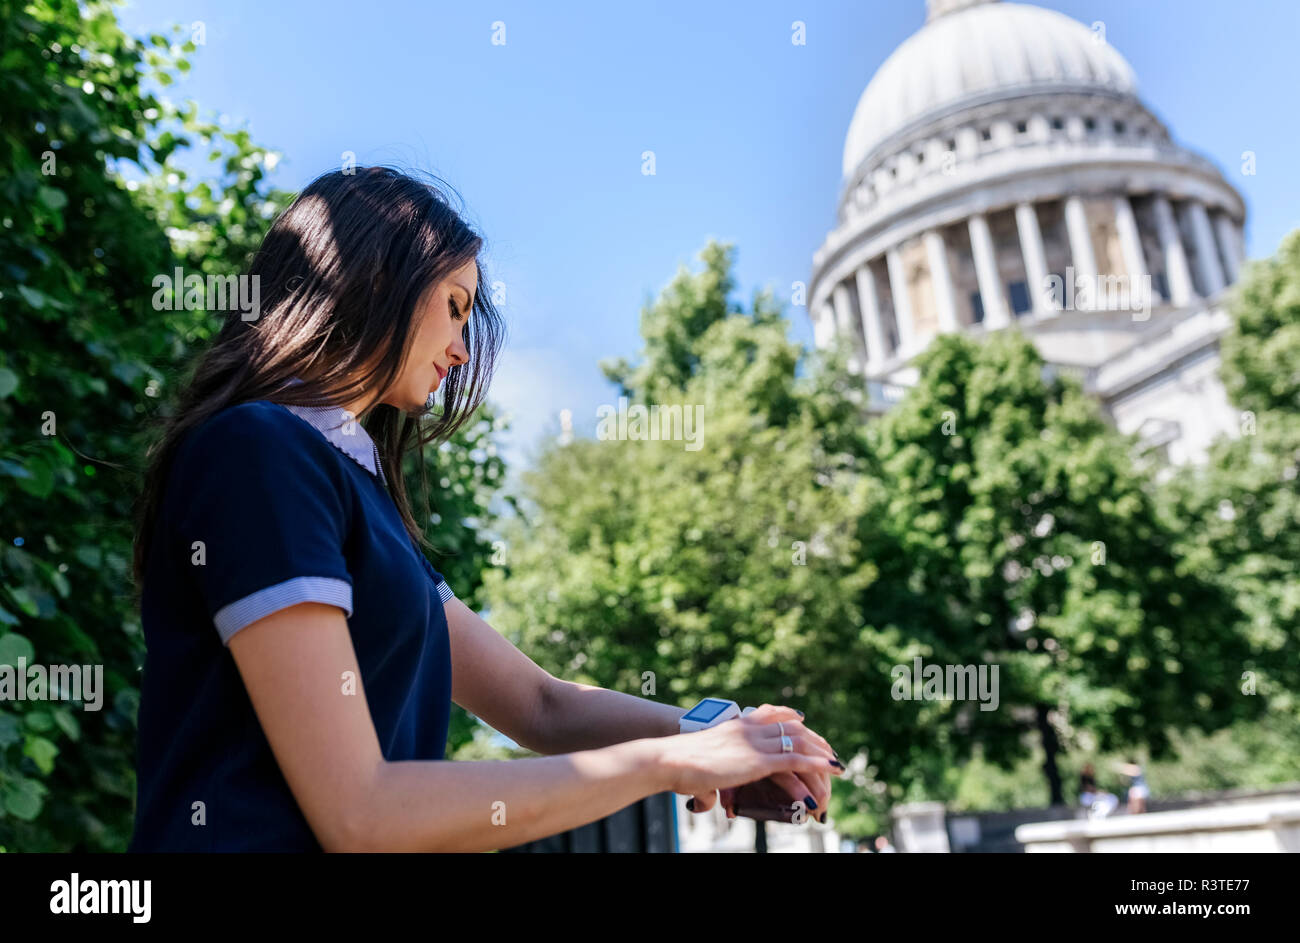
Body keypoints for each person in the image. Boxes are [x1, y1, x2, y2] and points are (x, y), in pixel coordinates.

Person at [127, 166, 843, 852]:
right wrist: (670, 763)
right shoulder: (258, 452)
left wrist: (715, 733)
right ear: (377, 278)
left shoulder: (348, 485)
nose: (464, 351)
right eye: (455, 305)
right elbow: (360, 812)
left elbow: (539, 704)